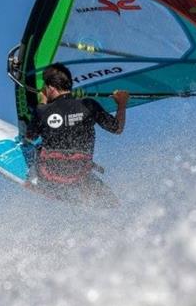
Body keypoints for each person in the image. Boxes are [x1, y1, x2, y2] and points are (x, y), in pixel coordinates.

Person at [25, 63, 128, 204]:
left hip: (49, 172)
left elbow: (30, 137)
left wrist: (42, 103)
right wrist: (122, 103)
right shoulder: (89, 105)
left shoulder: (42, 111)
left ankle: (32, 182)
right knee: (111, 200)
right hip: (78, 173)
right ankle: (88, 193)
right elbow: (117, 128)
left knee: (36, 150)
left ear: (50, 87)